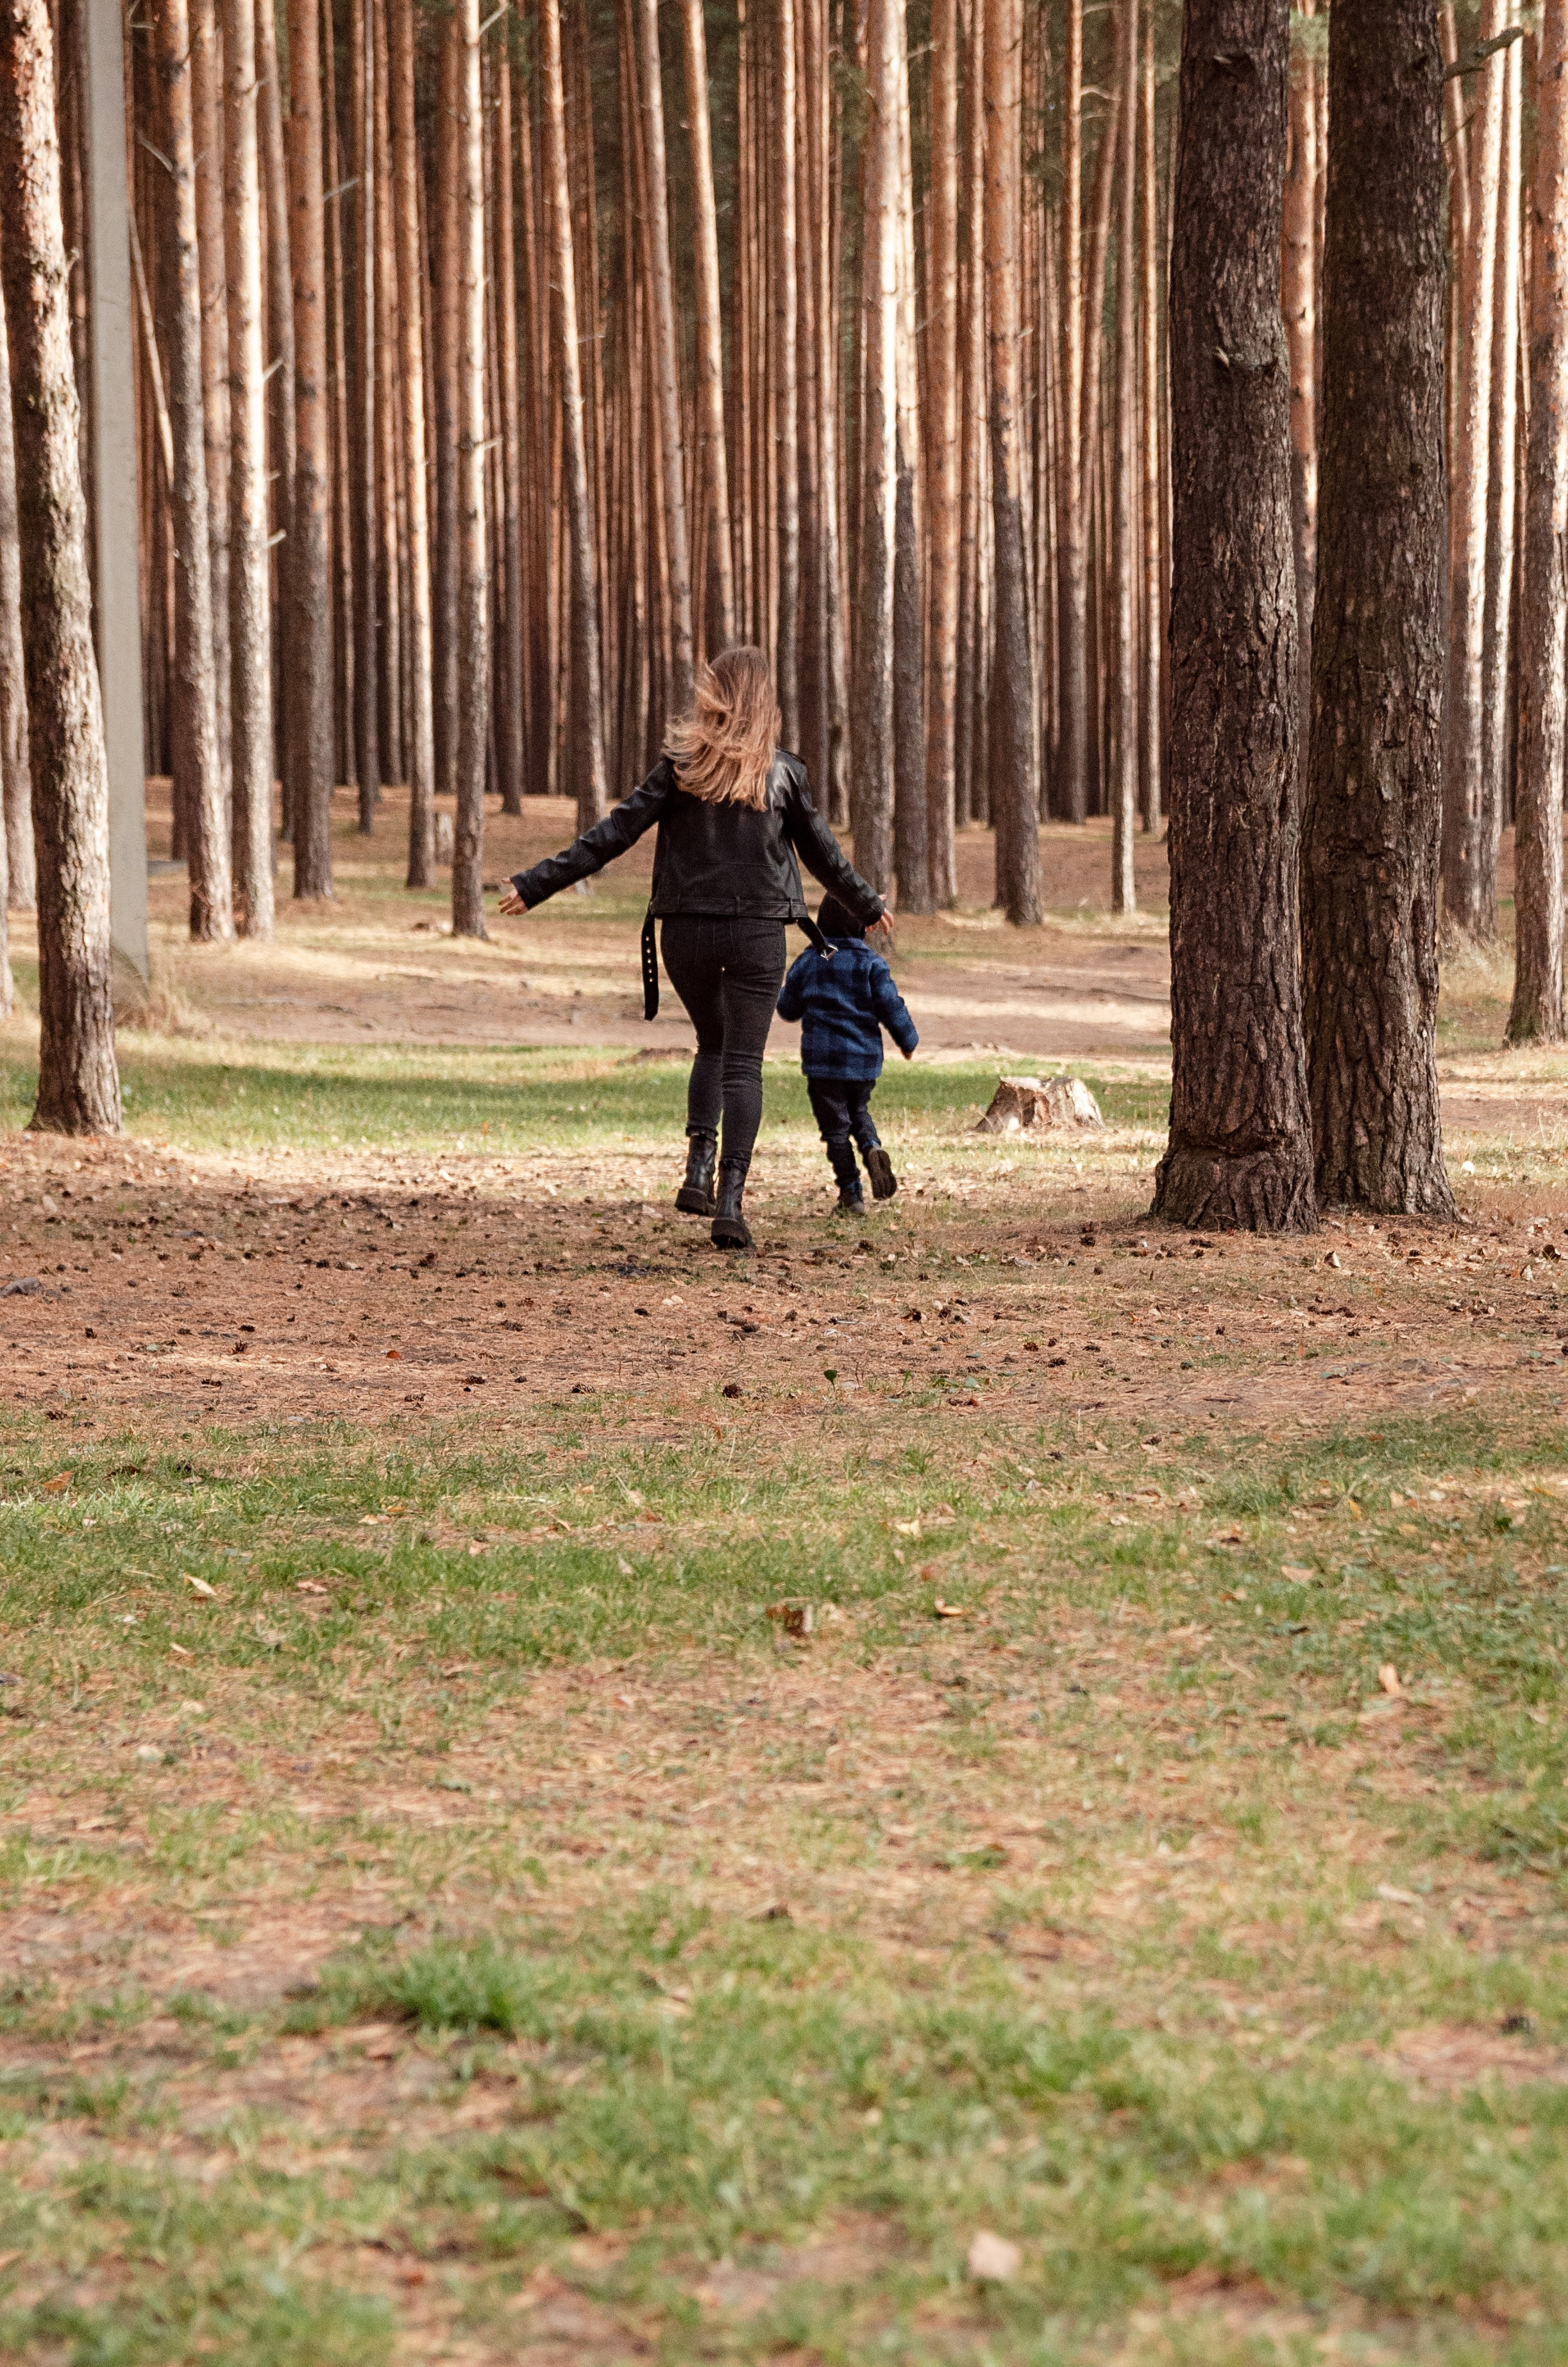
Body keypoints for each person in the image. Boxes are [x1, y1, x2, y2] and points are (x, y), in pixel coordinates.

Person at [498, 646, 889, 1250]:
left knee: (712, 1042)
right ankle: (730, 1201)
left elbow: (613, 832)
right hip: (757, 934)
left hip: (685, 935)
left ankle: (696, 1168)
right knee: (742, 1062)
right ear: (765, 704)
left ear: (716, 699)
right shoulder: (783, 773)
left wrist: (535, 884)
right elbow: (825, 858)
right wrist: (867, 906)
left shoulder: (680, 767)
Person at [777, 893, 918, 1215]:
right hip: (863, 1062)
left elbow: (788, 1009)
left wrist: (792, 988)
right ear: (864, 928)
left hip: (823, 1064)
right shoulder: (872, 964)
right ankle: (872, 1146)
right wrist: (907, 1041)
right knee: (859, 1112)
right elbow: (892, 1008)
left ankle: (851, 1194)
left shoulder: (810, 960)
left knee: (835, 1130)